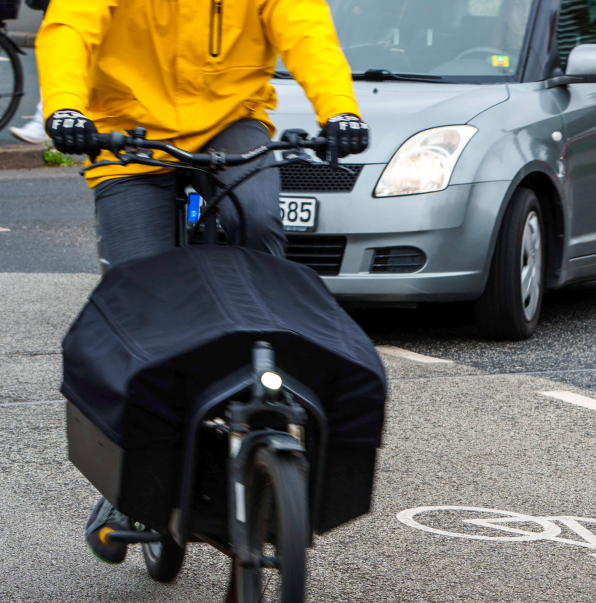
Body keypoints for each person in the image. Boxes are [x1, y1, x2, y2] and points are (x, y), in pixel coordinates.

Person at [35, 0, 372, 563]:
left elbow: (306, 28)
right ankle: (123, 482)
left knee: (258, 221)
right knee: (138, 290)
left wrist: (340, 111)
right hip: (126, 133)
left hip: (229, 124)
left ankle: (266, 372)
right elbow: (69, 27)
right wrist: (66, 108)